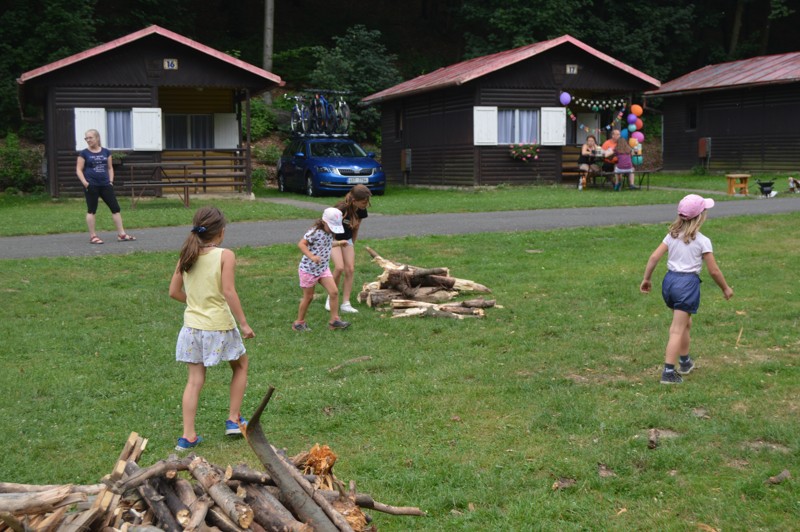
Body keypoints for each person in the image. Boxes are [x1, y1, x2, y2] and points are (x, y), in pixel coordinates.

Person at [169, 206, 255, 451]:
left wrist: (197, 302)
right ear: (221, 232)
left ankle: (188, 436)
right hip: (219, 325)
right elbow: (228, 291)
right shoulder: (225, 255)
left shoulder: (186, 254)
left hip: (192, 328)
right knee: (241, 366)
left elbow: (173, 292)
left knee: (194, 380)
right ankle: (233, 419)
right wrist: (244, 323)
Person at [640, 194, 734, 384]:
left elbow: (653, 258)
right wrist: (725, 288)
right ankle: (668, 372)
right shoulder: (702, 240)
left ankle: (684, 362)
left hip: (669, 283)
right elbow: (714, 271)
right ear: (700, 217)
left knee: (685, 324)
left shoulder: (671, 236)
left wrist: (647, 279)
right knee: (677, 329)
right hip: (686, 285)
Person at [294, 207, 351, 331]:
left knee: (334, 292)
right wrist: (312, 256)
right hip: (308, 270)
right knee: (308, 297)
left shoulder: (329, 233)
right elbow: (301, 244)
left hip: (323, 269)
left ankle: (334, 320)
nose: (332, 230)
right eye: (331, 227)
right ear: (324, 222)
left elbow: (326, 244)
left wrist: (339, 243)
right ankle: (299, 323)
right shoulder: (314, 232)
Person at [76, 129, 136, 244]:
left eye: (90, 138)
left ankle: (122, 234)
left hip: (105, 185)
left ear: (97, 138)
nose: (88, 140)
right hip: (91, 185)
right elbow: (78, 169)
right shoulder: (84, 153)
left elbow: (110, 168)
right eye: (86, 138)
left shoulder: (106, 152)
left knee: (115, 209)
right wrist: (85, 182)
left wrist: (111, 181)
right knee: (92, 210)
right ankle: (93, 236)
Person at [326, 185, 372, 312]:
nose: (366, 204)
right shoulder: (340, 209)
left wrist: (352, 243)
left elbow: (356, 228)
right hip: (334, 239)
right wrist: (332, 243)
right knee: (339, 267)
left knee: (350, 269)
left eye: (367, 201)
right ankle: (331, 297)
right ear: (354, 200)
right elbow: (328, 227)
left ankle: (345, 303)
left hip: (347, 240)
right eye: (363, 202)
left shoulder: (361, 210)